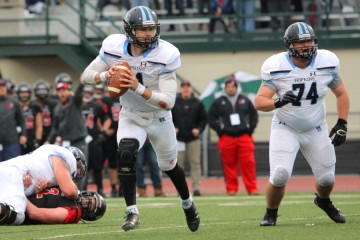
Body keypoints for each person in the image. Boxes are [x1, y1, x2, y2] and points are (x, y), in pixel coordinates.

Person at [81, 6, 200, 232]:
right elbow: (86, 76)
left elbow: (168, 102)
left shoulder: (166, 53)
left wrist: (137, 87)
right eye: (141, 29)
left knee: (169, 166)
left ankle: (187, 203)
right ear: (129, 30)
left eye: (150, 29)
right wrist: (107, 75)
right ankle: (132, 211)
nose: (147, 34)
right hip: (131, 114)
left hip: (159, 116)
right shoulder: (113, 47)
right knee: (125, 152)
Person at [254, 22, 350, 226]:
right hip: (285, 126)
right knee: (280, 175)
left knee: (326, 180)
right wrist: (277, 102)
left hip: (316, 128)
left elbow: (341, 93)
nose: (306, 45)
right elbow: (259, 101)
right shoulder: (277, 66)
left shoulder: (327, 62)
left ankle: (323, 200)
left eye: (309, 41)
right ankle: (271, 213)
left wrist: (342, 122)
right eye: (300, 42)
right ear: (289, 45)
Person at [0, 144, 87, 225]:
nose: (78, 171)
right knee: (18, 214)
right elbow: (70, 191)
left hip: (8, 172)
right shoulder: (64, 158)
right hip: (12, 175)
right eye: (78, 167)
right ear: (73, 158)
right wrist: (78, 194)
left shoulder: (46, 158)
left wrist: (32, 189)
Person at [208, 76, 259, 196]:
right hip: (227, 137)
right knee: (229, 165)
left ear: (236, 87)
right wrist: (220, 130)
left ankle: (252, 188)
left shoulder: (245, 100)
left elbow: (254, 116)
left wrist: (250, 129)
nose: (230, 89)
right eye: (228, 87)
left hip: (244, 137)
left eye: (232, 87)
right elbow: (211, 117)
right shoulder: (219, 101)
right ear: (225, 88)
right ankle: (231, 189)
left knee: (249, 164)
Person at [46, 82, 89, 190]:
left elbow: (78, 95)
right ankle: (70, 192)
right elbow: (55, 128)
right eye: (60, 91)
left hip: (79, 140)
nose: (62, 93)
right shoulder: (57, 109)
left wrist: (81, 83)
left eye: (64, 90)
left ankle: (80, 193)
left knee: (81, 168)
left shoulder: (74, 102)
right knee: (68, 168)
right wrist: (49, 140)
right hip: (66, 142)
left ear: (69, 91)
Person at [172, 80, 207, 196]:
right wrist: (174, 128)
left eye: (188, 87)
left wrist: (199, 129)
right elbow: (168, 118)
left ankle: (196, 188)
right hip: (179, 139)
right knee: (178, 165)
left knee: (195, 163)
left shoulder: (197, 102)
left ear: (191, 89)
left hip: (193, 139)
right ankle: (180, 189)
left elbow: (204, 119)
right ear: (180, 89)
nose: (186, 89)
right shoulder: (175, 103)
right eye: (183, 87)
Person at [81, 85, 111, 197]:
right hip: (80, 141)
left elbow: (107, 119)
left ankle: (101, 189)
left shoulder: (98, 106)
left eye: (89, 92)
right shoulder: (77, 105)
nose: (87, 94)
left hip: (94, 140)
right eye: (85, 92)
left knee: (97, 166)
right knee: (82, 167)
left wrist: (102, 133)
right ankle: (83, 190)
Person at [24, 187, 106, 224]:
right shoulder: (70, 188)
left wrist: (20, 195)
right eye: (90, 198)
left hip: (21, 208)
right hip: (24, 193)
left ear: (89, 215)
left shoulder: (74, 212)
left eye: (90, 205)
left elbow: (34, 213)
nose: (87, 201)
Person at [0, 78, 27, 162]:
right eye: (0, 86)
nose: (2, 88)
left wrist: (23, 135)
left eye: (3, 86)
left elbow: (22, 120)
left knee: (13, 167)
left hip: (12, 142)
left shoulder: (13, 102)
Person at [16, 83, 43, 154]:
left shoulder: (35, 106)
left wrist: (37, 140)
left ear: (29, 94)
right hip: (18, 140)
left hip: (32, 140)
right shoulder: (15, 106)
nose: (24, 95)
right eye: (22, 93)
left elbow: (39, 125)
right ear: (18, 94)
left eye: (26, 93)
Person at [32, 80, 59, 146]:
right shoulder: (32, 104)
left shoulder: (53, 103)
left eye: (43, 91)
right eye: (40, 91)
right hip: (37, 135)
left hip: (51, 133)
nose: (42, 93)